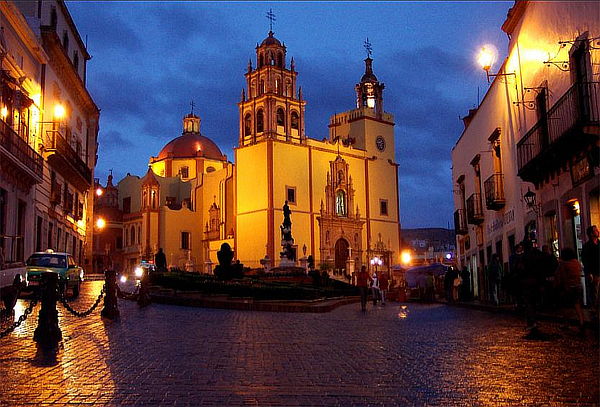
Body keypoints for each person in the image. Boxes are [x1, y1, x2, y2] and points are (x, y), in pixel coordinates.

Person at [554, 248, 585, 334]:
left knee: (566, 306)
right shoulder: (576, 262)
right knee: (577, 305)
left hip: (569, 287)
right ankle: (581, 322)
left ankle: (566, 323)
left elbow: (562, 276)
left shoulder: (563, 264)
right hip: (578, 286)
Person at [521, 240, 545, 333]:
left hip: (527, 282)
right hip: (537, 281)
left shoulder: (524, 257)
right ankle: (535, 321)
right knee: (535, 302)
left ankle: (532, 322)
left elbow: (521, 270)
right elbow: (542, 268)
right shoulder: (538, 254)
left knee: (529, 303)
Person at [581, 225, 599, 310]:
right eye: (595, 230)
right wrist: (589, 273)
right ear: (591, 234)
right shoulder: (587, 246)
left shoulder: (599, 243)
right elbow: (585, 260)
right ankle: (593, 309)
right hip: (594, 272)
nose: (598, 231)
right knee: (594, 292)